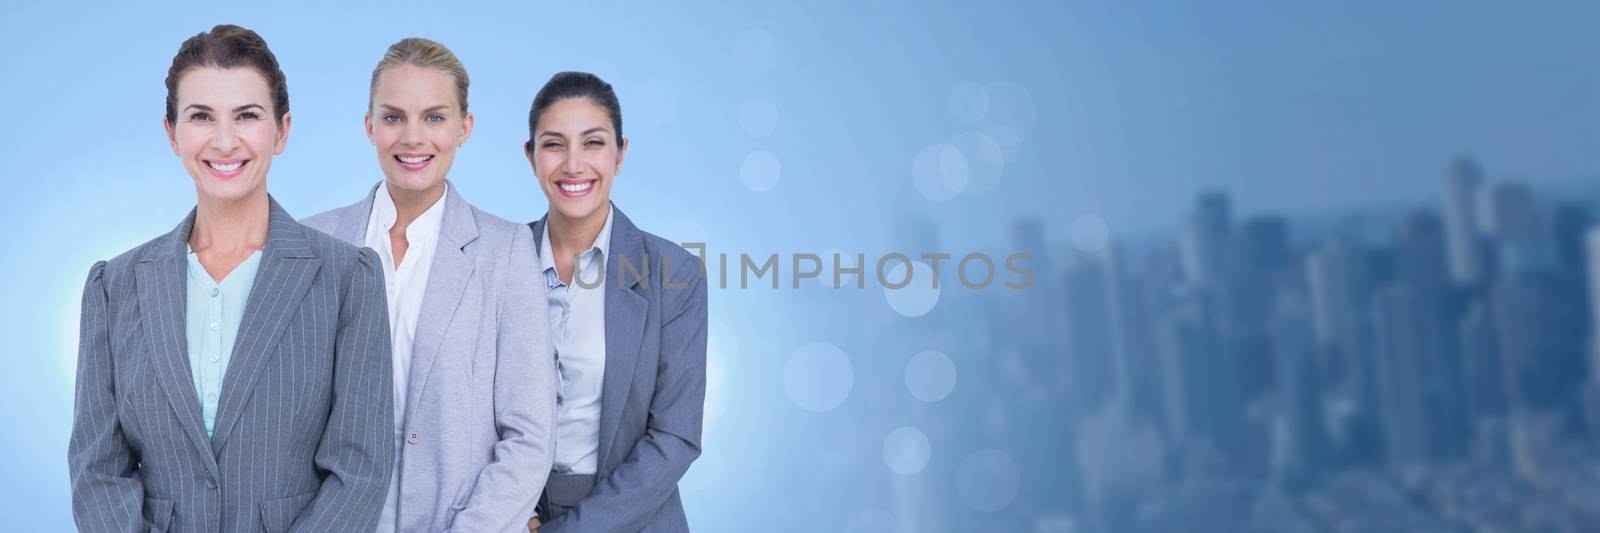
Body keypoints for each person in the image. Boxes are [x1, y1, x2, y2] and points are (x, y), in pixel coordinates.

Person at [68, 24, 394, 532]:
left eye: (247, 115)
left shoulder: (348, 279)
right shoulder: (115, 287)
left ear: (281, 131)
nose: (224, 140)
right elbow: (97, 473)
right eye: (201, 116)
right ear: (172, 132)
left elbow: (360, 473)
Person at [302, 37, 556, 533]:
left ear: (465, 128)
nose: (413, 137)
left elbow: (530, 434)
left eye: (435, 117)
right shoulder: (313, 242)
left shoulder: (505, 251)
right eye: (394, 117)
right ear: (370, 126)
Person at [523, 71, 706, 533]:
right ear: (531, 157)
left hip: (635, 520)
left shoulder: (673, 274)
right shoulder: (494, 261)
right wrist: (511, 513)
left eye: (593, 143)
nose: (573, 164)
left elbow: (674, 436)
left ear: (621, 154)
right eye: (553, 144)